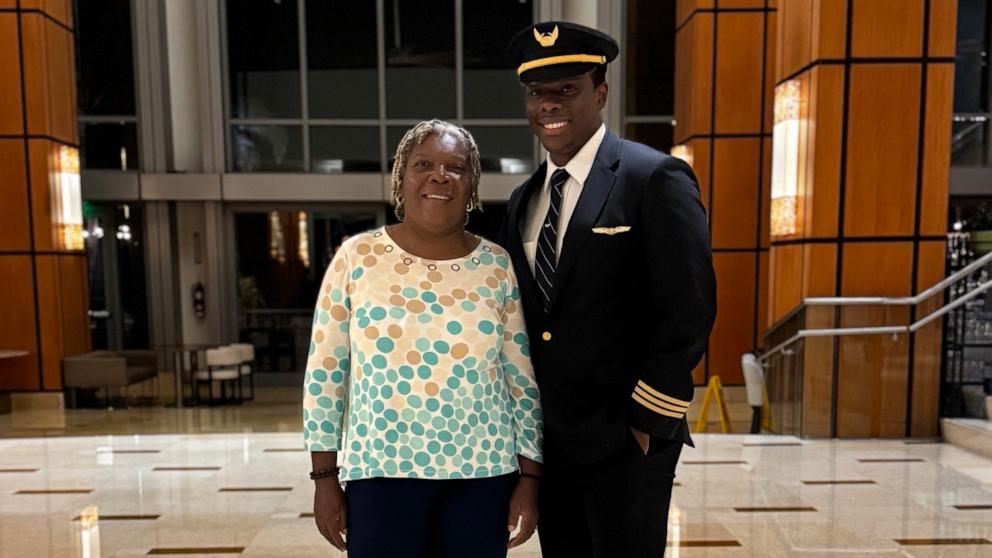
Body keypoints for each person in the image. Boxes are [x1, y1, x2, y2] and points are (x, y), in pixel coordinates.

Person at [498, 22, 717, 558]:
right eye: (536, 94)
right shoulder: (524, 199)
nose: (548, 105)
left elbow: (689, 308)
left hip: (626, 438)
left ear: (600, 92)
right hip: (551, 440)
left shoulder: (653, 177)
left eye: (565, 90)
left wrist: (646, 421)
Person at [304, 119, 544, 558]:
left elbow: (520, 380)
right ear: (401, 177)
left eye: (456, 167)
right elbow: (325, 374)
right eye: (423, 164)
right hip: (380, 475)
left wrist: (529, 479)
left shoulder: (496, 265)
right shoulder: (358, 258)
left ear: (471, 185)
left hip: (483, 476)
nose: (440, 175)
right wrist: (324, 480)